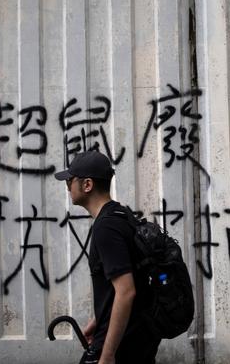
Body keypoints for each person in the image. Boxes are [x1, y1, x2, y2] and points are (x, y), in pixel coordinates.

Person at [55, 151, 160, 364]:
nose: (67, 187)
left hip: (122, 345)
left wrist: (108, 355)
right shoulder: (123, 215)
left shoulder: (106, 227)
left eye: (69, 181)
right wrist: (99, 318)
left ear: (87, 185)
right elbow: (130, 280)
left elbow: (126, 291)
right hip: (140, 335)